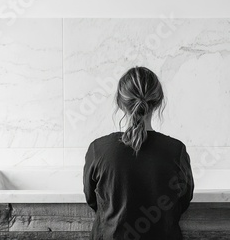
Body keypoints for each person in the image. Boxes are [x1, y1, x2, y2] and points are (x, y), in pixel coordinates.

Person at [83, 66, 194, 240]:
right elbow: (183, 201)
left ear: (120, 102)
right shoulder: (176, 151)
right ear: (158, 102)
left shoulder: (99, 149)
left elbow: (92, 200)